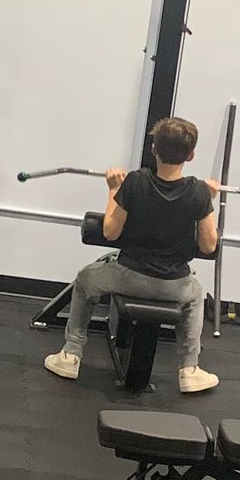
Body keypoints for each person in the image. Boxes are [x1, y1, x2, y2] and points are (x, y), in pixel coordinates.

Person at [45, 115, 220, 395]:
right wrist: (208, 200)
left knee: (86, 279)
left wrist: (113, 188)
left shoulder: (136, 182)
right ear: (191, 154)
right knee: (196, 295)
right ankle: (189, 370)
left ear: (154, 149)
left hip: (127, 277)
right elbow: (210, 245)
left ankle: (70, 354)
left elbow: (111, 232)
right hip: (175, 286)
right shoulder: (199, 191)